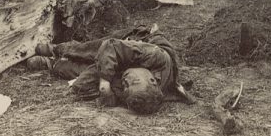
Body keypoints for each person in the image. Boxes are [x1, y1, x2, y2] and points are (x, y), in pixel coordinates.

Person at [28, 25, 195, 114]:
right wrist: (105, 82)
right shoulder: (156, 56)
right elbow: (112, 47)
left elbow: (118, 88)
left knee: (83, 81)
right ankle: (57, 49)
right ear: (152, 81)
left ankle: (52, 65)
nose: (126, 82)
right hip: (135, 42)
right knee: (94, 50)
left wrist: (107, 92)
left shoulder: (140, 92)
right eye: (133, 82)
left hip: (132, 66)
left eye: (126, 87)